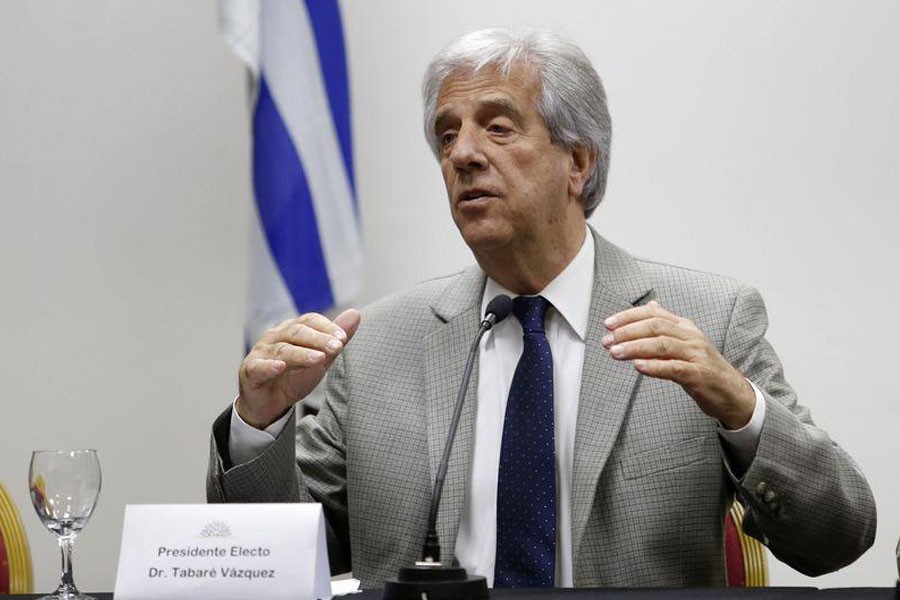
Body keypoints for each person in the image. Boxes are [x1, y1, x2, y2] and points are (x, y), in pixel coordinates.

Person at [208, 28, 876, 588]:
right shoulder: (381, 342)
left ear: (578, 162)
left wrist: (740, 407)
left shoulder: (709, 319)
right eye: (447, 135)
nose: (463, 154)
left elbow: (838, 536)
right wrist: (258, 428)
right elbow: (281, 567)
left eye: (497, 128)